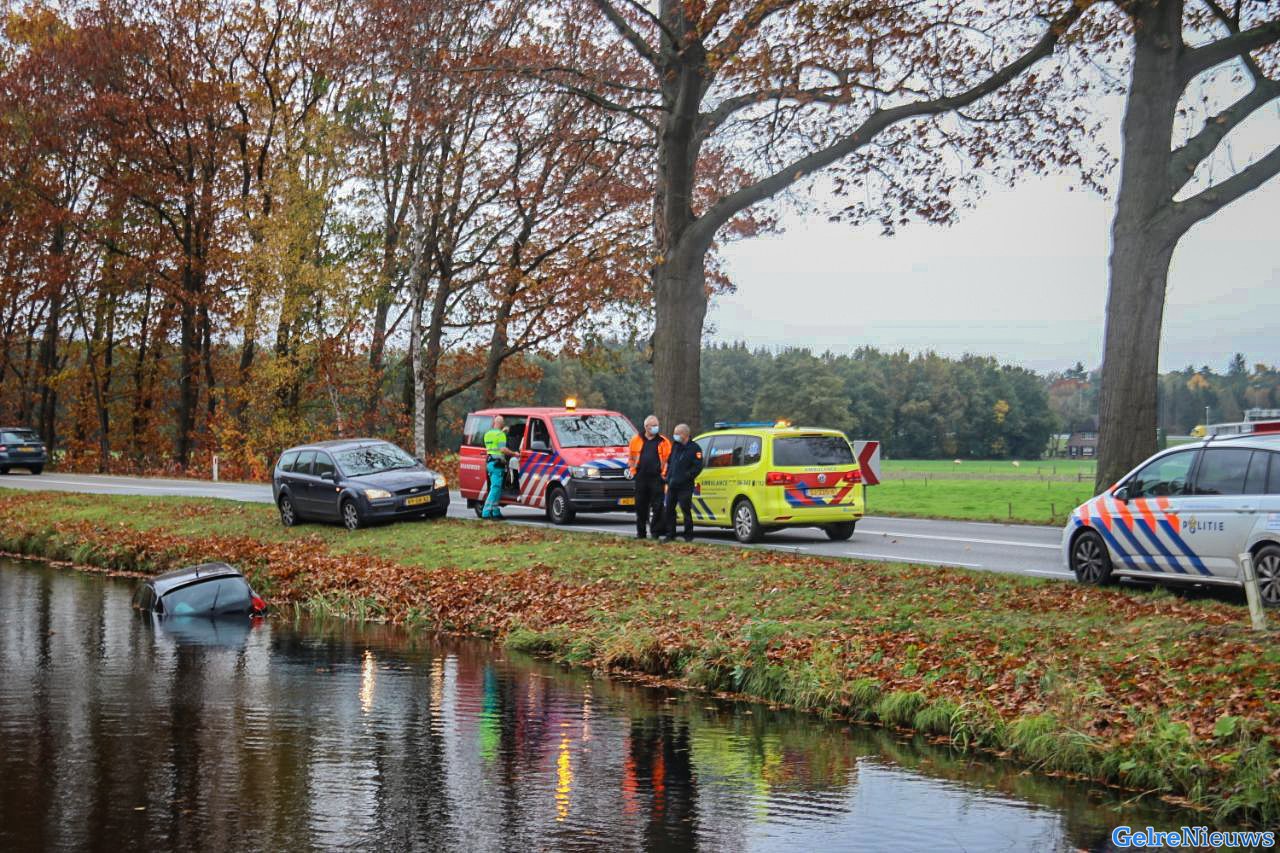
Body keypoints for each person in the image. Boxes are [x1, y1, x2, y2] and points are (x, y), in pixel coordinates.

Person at [627, 414, 671, 539]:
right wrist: (634, 472)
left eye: (657, 425)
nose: (656, 428)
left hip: (657, 478)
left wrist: (664, 475)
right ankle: (641, 533)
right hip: (641, 478)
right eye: (653, 425)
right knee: (640, 506)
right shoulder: (635, 440)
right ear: (646, 427)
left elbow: (669, 460)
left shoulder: (664, 442)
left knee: (657, 506)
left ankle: (655, 532)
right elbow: (631, 458)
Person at [662, 424, 703, 543]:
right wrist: (668, 477)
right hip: (672, 484)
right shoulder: (675, 446)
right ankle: (670, 534)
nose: (674, 436)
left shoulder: (695, 448)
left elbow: (698, 466)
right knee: (669, 509)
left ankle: (688, 535)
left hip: (685, 486)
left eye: (677, 433)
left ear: (684, 435)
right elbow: (670, 462)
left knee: (685, 509)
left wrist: (687, 476)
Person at [482, 415, 518, 519]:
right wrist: (514, 453)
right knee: (495, 488)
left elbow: (494, 443)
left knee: (497, 488)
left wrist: (503, 431)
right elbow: (502, 449)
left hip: (490, 463)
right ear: (501, 424)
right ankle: (486, 511)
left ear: (494, 422)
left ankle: (495, 511)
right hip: (497, 464)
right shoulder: (501, 434)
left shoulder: (487, 434)